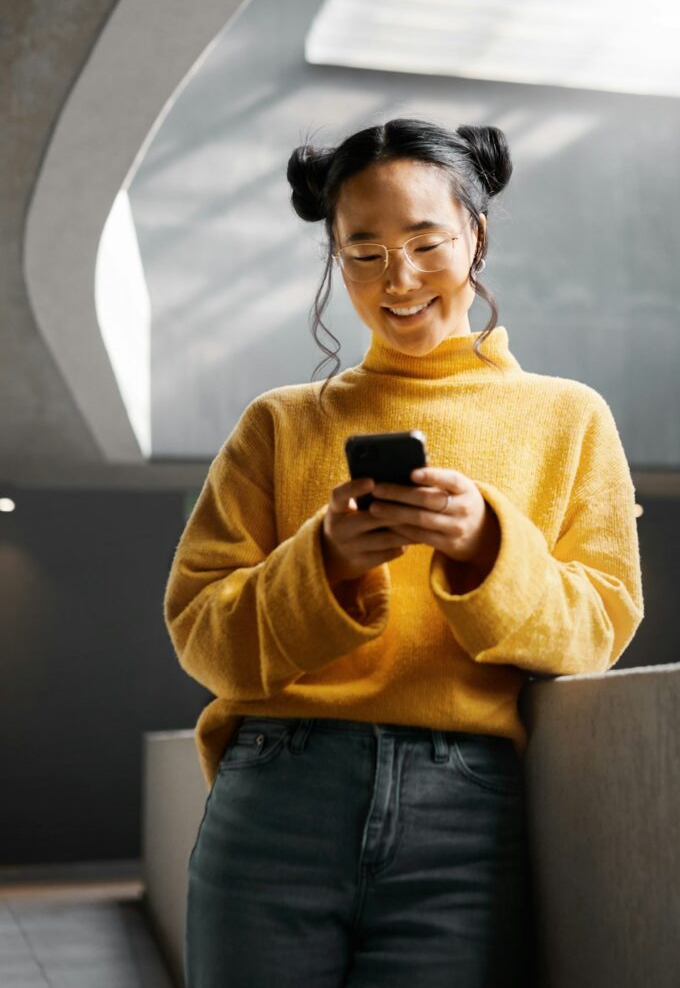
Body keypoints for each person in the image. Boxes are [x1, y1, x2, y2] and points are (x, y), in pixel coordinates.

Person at [164, 116, 644, 988]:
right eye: (364, 251)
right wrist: (326, 566)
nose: (399, 277)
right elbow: (200, 634)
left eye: (426, 241)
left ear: (477, 234)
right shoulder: (279, 424)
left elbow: (601, 626)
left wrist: (487, 547)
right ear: (334, 260)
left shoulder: (570, 416)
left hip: (463, 808)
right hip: (276, 795)